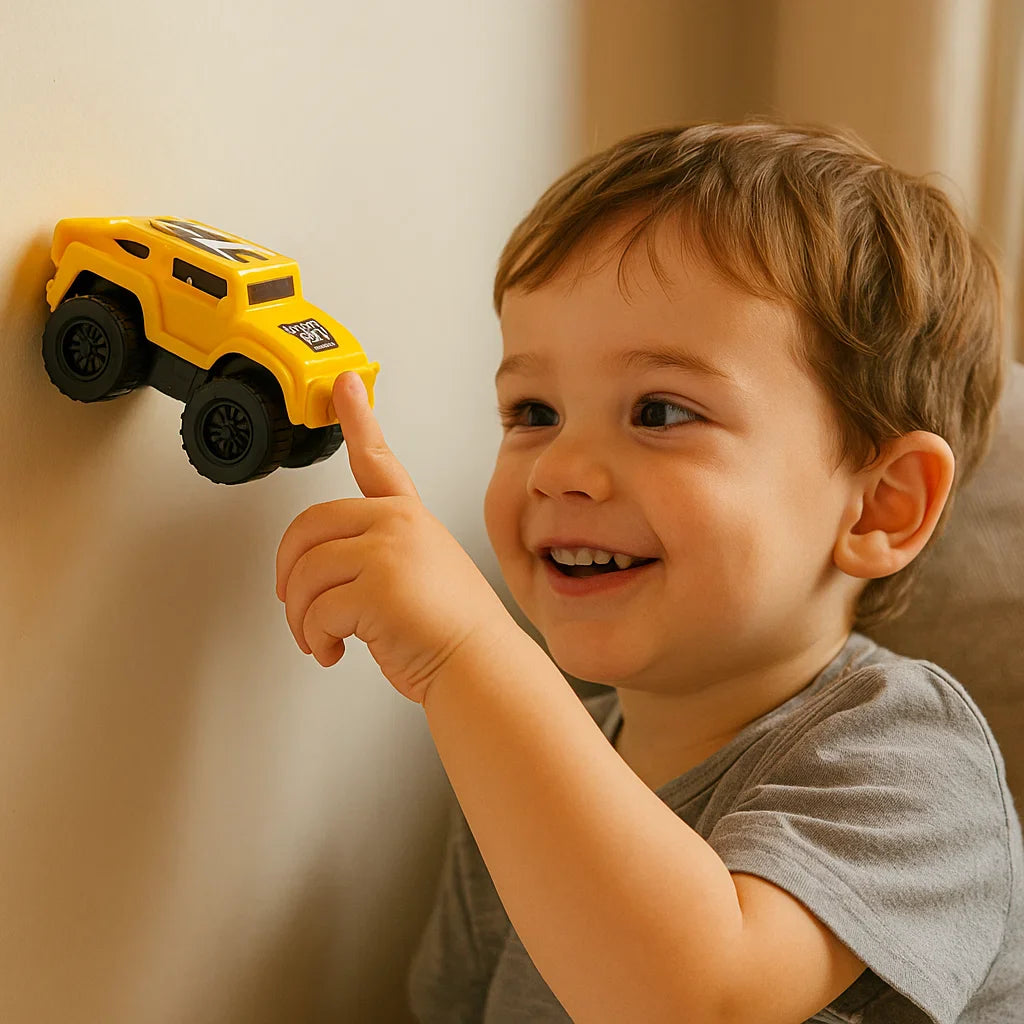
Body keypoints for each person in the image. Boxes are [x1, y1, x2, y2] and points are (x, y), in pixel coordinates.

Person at [275, 121, 1023, 1023]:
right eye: (534, 412)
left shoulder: (911, 756)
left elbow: (702, 1000)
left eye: (660, 412)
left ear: (879, 507)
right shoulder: (521, 771)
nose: (561, 469)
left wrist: (467, 654)